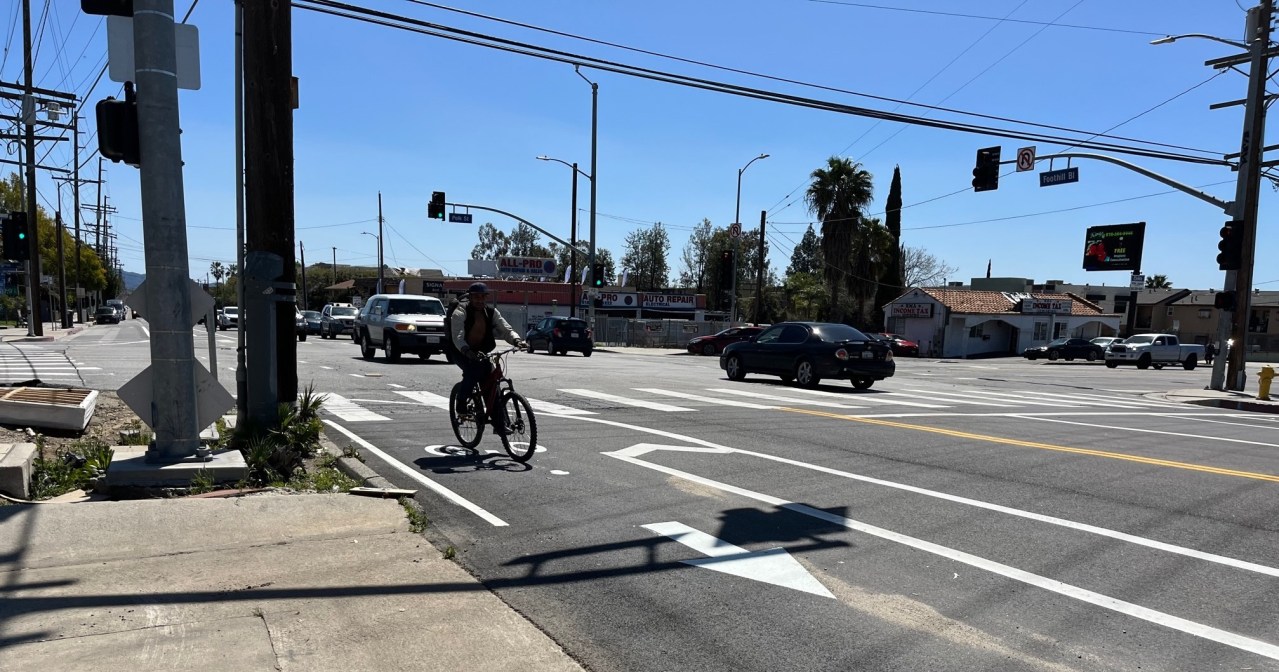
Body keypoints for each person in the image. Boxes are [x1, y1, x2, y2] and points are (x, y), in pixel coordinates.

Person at [449, 283, 527, 420]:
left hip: (481, 351)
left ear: (486, 298)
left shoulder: (491, 312)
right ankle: (461, 404)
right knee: (473, 371)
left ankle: (499, 422)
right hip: (460, 350)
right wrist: (467, 351)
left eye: (482, 297)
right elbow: (458, 336)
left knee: (490, 379)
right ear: (470, 297)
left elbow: (505, 329)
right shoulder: (460, 312)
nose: (479, 300)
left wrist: (517, 340)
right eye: (476, 297)